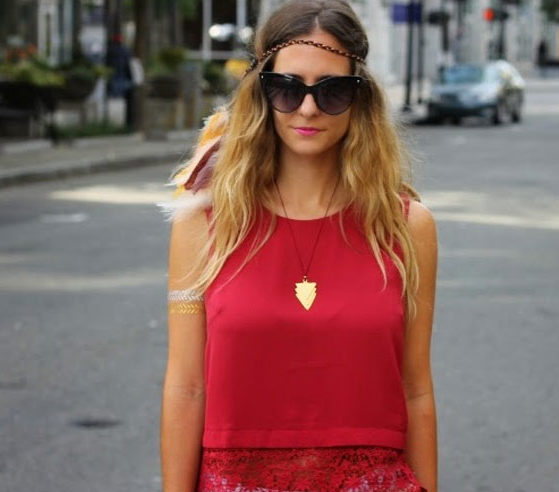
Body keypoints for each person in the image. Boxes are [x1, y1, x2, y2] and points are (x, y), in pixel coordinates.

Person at [157, 1, 438, 491]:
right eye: (287, 88)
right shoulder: (202, 223)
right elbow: (186, 387)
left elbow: (415, 389)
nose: (308, 108)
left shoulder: (407, 226)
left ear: (360, 98)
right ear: (261, 93)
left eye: (332, 91)